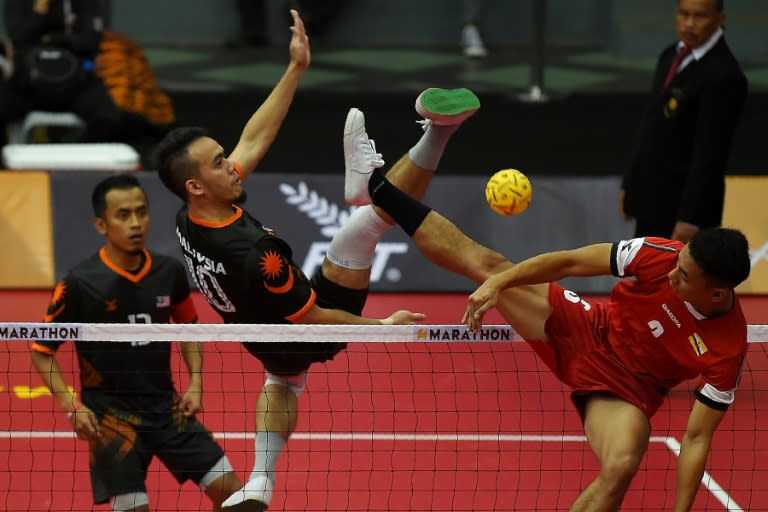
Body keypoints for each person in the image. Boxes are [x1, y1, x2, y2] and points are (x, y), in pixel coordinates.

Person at [152, 9, 480, 511]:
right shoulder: (256, 254)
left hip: (261, 336)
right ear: (197, 184)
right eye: (219, 163)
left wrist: (295, 69)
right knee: (369, 221)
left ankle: (261, 482)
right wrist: (382, 327)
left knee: (282, 380)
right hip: (305, 324)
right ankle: (434, 135)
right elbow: (314, 316)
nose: (231, 163)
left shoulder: (189, 215)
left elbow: (254, 138)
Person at [344, 112, 751, 511]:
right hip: (586, 327)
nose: (674, 272)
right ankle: (375, 187)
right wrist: (500, 283)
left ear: (716, 294)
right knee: (487, 264)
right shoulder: (662, 255)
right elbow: (571, 263)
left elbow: (697, 439)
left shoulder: (728, 347)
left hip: (627, 390)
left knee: (622, 465)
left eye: (685, 276)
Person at [29, 174, 243, 511]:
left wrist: (196, 381)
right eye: (123, 215)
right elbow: (42, 352)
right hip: (112, 420)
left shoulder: (168, 272)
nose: (135, 223)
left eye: (141, 212)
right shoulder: (79, 284)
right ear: (102, 224)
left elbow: (188, 328)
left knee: (235, 496)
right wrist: (72, 406)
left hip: (167, 410)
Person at [620, 0, 747, 243]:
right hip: (650, 199)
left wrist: (691, 218)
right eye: (684, 14)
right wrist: (630, 184)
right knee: (643, 276)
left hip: (683, 211)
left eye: (700, 16)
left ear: (720, 19)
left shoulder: (725, 76)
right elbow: (651, 124)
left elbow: (710, 155)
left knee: (676, 280)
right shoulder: (671, 54)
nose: (689, 24)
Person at [0, 0, 148, 148]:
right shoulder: (18, 2)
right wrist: (40, 10)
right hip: (29, 83)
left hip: (76, 83)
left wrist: (50, 39)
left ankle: (77, 159)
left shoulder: (85, 3)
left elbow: (91, 41)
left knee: (111, 118)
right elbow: (19, 37)